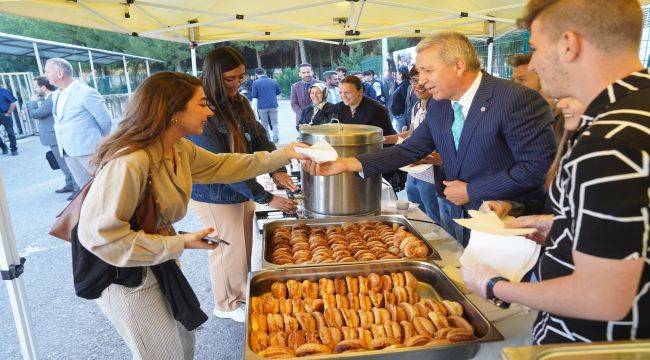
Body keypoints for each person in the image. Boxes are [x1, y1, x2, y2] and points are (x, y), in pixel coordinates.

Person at [77, 71, 307, 359]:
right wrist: (181, 243)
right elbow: (102, 238)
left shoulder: (177, 147)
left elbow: (226, 166)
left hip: (161, 261)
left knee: (184, 345)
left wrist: (286, 154)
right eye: (201, 104)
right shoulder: (130, 161)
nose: (210, 111)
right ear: (173, 111)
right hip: (126, 276)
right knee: (164, 354)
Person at [463, 0, 649, 345]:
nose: (532, 64)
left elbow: (603, 297)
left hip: (599, 347)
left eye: (534, 49)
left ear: (568, 44)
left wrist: (492, 285)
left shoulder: (609, 141)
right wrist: (560, 226)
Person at [304, 32, 556, 245]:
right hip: (462, 218)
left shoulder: (515, 99)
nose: (421, 80)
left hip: (509, 224)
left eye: (427, 70)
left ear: (458, 66)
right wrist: (347, 164)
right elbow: (410, 149)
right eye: (418, 71)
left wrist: (472, 190)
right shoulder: (441, 105)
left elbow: (537, 168)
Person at [187, 47, 298, 323]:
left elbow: (259, 136)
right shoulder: (203, 110)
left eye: (241, 77)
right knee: (226, 248)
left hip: (240, 187)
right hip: (214, 192)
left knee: (242, 246)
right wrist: (266, 197)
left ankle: (240, 294)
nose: (237, 83)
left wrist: (277, 170)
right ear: (213, 77)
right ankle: (226, 303)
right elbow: (222, 168)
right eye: (229, 79)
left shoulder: (239, 102)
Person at [385, 67, 443, 225]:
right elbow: (411, 134)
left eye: (422, 80)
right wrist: (383, 140)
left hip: (432, 176)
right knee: (418, 218)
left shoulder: (440, 110)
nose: (418, 85)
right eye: (414, 81)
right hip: (413, 173)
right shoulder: (417, 107)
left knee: (434, 221)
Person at [45, 58, 112, 189]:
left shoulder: (86, 92)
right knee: (85, 190)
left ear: (60, 73)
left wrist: (97, 143)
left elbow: (106, 121)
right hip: (67, 152)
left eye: (47, 71)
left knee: (102, 188)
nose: (45, 75)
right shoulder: (55, 95)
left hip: (89, 152)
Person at [27, 76, 78, 196]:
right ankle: (70, 183)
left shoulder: (51, 99)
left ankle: (77, 188)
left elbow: (36, 114)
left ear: (43, 87)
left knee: (66, 163)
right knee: (62, 162)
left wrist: (32, 102)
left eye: (36, 87)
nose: (34, 90)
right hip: (53, 137)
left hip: (55, 136)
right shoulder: (50, 98)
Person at [510, 53, 564, 139]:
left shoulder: (563, 116)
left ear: (543, 80)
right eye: (512, 79)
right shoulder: (515, 115)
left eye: (521, 80)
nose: (514, 84)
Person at [251, 67, 281, 142]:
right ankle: (276, 138)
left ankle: (267, 139)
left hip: (262, 106)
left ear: (256, 74)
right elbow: (279, 92)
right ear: (264, 72)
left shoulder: (256, 82)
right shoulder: (274, 81)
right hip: (273, 105)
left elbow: (254, 95)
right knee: (275, 123)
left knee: (264, 124)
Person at [290, 63, 318, 128]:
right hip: (301, 121)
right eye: (303, 73)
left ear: (312, 72)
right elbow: (294, 103)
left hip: (318, 121)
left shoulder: (321, 84)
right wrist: (303, 115)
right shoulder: (295, 86)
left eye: (308, 72)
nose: (306, 74)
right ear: (299, 74)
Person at [390, 66, 411, 132]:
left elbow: (407, 102)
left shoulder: (405, 85)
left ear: (401, 74)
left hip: (402, 117)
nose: (396, 75)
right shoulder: (402, 84)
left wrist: (405, 121)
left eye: (397, 73)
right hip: (399, 116)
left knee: (402, 137)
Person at [0, 85, 18, 155]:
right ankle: (3, 147)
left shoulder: (4, 91)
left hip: (5, 114)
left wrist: (9, 113)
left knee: (10, 132)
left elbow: (13, 103)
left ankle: (13, 149)